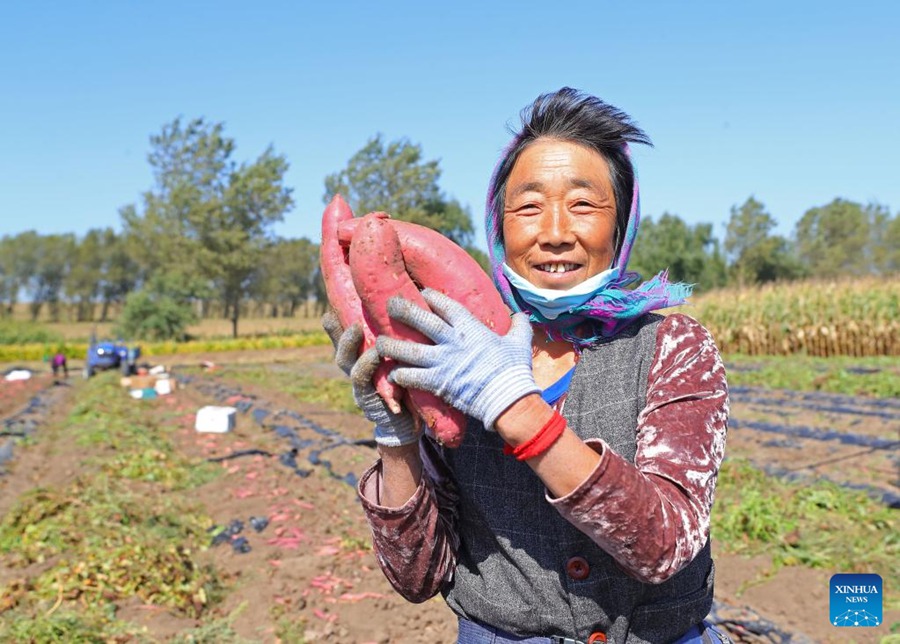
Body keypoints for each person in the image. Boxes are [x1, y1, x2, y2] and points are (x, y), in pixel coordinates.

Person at [323, 87, 730, 644]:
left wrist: (512, 405)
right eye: (529, 206)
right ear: (499, 223)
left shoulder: (674, 346)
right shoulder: (448, 350)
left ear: (622, 222)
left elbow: (665, 545)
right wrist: (396, 435)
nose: (555, 231)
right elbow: (418, 576)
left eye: (584, 204)